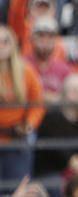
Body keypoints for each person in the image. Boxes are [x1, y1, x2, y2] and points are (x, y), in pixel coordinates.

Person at [0, 25, 44, 187]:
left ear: (12, 44)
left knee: (18, 189)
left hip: (19, 137)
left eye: (5, 41)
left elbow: (37, 104)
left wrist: (29, 124)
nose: (1, 45)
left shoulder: (26, 71)